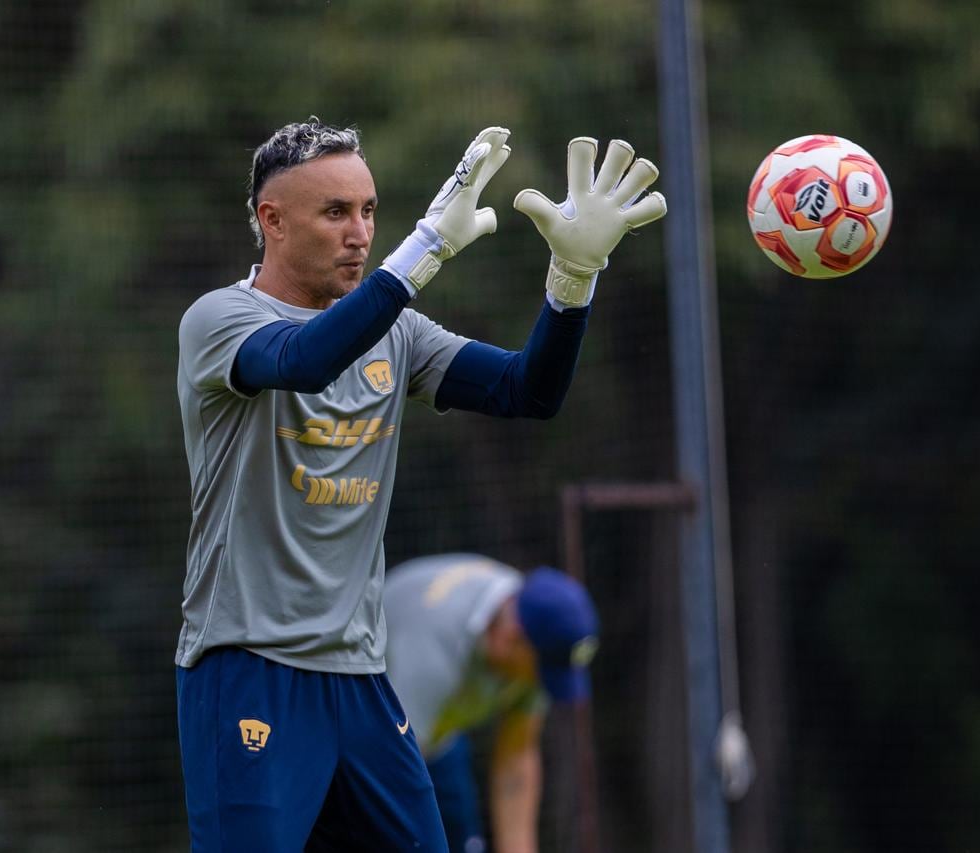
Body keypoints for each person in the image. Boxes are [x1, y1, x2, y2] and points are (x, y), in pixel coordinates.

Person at [173, 117, 664, 852]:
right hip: (248, 666)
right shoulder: (219, 319)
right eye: (335, 212)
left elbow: (526, 390)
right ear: (272, 221)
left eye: (369, 211)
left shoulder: (397, 335)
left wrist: (573, 282)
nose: (360, 233)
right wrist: (426, 245)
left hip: (361, 678)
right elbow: (306, 361)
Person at [383, 554, 600, 853]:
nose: (540, 683)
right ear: (512, 638)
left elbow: (516, 758)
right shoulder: (432, 655)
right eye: (540, 671)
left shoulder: (533, 626)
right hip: (380, 742)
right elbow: (388, 776)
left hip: (438, 735)